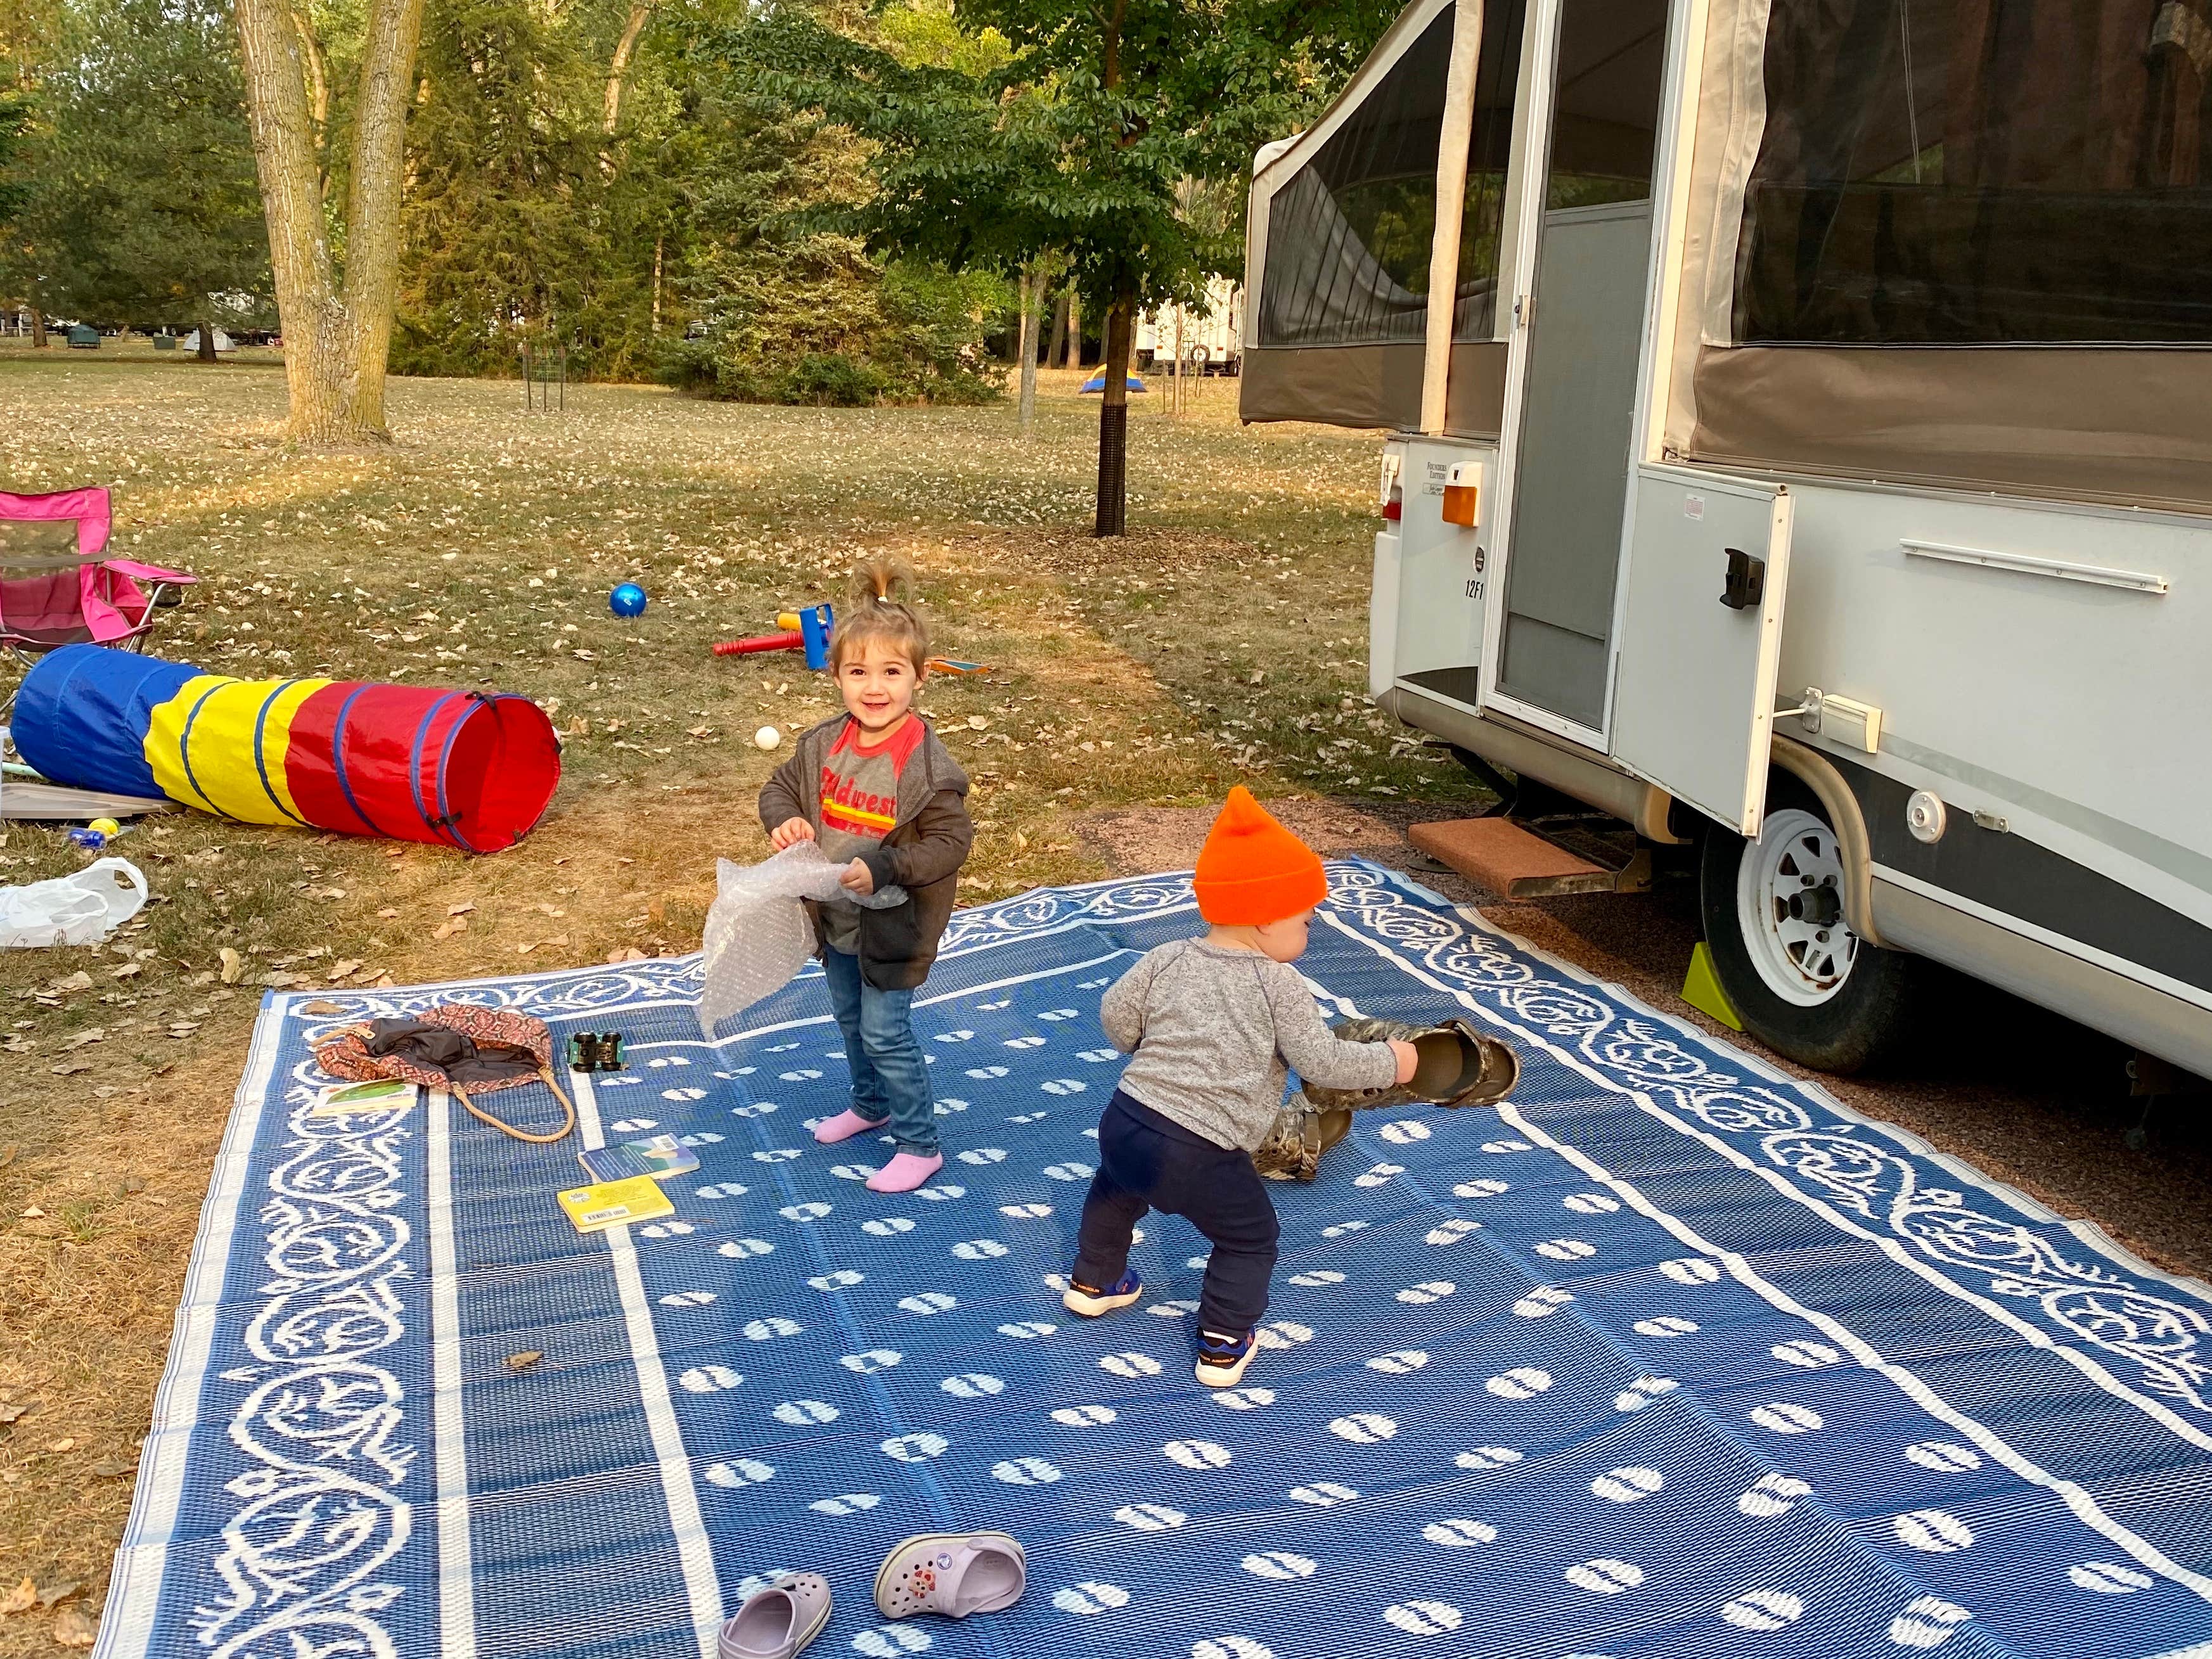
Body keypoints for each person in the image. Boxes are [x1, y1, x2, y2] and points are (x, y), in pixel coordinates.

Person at [1062, 787, 1418, 1385]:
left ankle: (1094, 1282)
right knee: (1251, 1236)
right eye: (1304, 921)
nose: (1308, 934)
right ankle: (1224, 1341)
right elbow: (1323, 1061)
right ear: (1264, 918)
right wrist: (1394, 1063)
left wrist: (1141, 1049)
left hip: (1127, 1116)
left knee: (1117, 1189)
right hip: (1201, 1148)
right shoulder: (1278, 985)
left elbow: (1115, 1014)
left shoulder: (1167, 956)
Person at [758, 560, 973, 1195]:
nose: (873, 687)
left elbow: (949, 843)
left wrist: (881, 863)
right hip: (836, 917)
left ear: (919, 677)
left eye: (890, 671)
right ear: (836, 677)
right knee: (850, 1019)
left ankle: (919, 1142)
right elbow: (779, 788)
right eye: (857, 672)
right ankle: (869, 1102)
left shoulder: (930, 766)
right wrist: (788, 819)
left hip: (896, 924)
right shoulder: (822, 745)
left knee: (885, 1028)